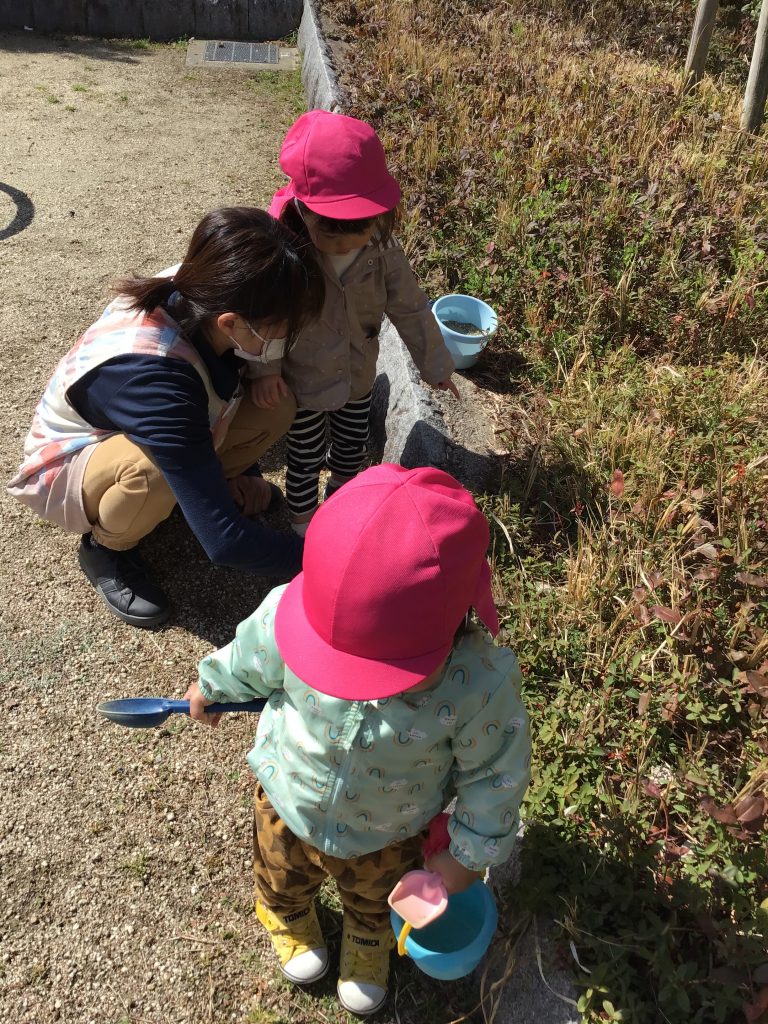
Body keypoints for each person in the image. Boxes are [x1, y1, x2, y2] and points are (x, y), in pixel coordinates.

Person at [185, 463, 531, 1016]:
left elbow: (497, 776)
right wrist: (212, 685)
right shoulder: (293, 609)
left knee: (375, 898)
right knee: (280, 869)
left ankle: (367, 938)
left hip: (387, 830)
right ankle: (288, 913)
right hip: (284, 792)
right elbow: (251, 652)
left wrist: (465, 858)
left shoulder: (477, 685)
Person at [7, 207, 325, 628]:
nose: (287, 339)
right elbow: (225, 543)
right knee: (149, 470)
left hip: (158, 429)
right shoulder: (158, 381)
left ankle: (191, 493)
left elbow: (225, 389)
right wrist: (325, 563)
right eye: (284, 329)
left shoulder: (209, 290)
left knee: (277, 404)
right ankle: (106, 549)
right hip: (71, 464)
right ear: (231, 322)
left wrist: (245, 471)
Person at [250, 109, 459, 536]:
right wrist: (265, 371)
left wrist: (435, 366)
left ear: (380, 217)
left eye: (357, 229)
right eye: (330, 232)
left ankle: (342, 503)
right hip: (302, 379)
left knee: (351, 447)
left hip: (357, 374)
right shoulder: (285, 249)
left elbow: (410, 308)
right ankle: (303, 522)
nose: (344, 242)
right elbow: (264, 317)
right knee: (304, 455)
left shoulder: (383, 251)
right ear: (301, 210)